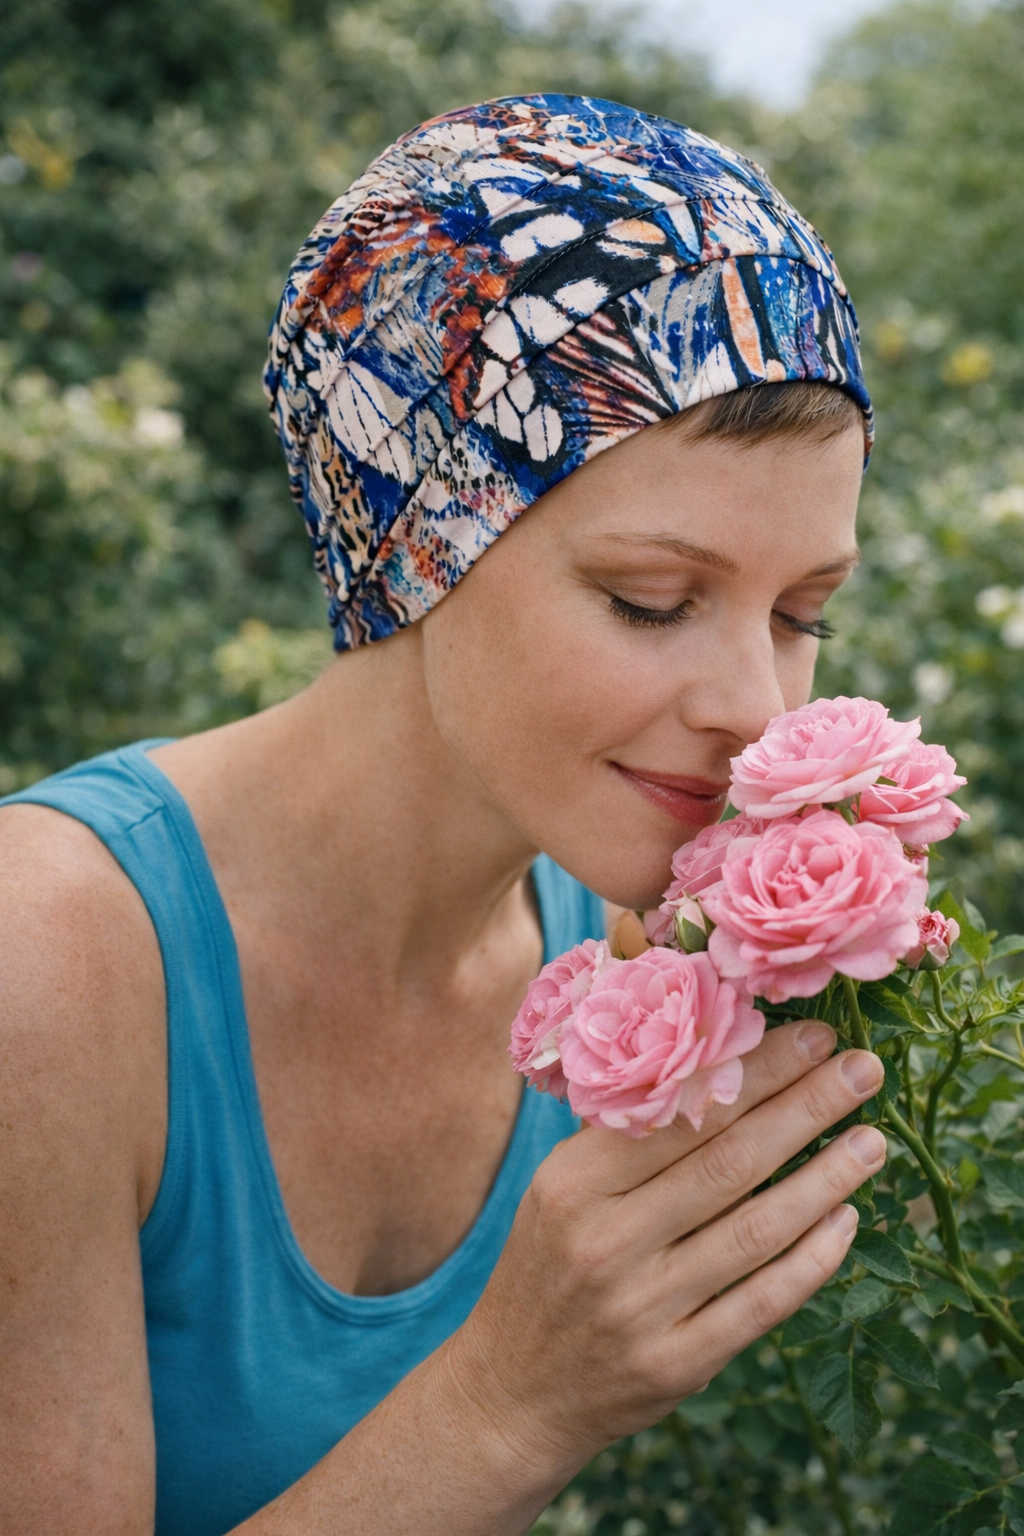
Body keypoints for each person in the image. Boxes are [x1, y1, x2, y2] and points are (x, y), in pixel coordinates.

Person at [0, 95, 888, 1536]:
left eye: (804, 617)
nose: (757, 710)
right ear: (416, 540)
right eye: (651, 601)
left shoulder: (619, 959)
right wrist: (509, 1404)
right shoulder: (45, 967)